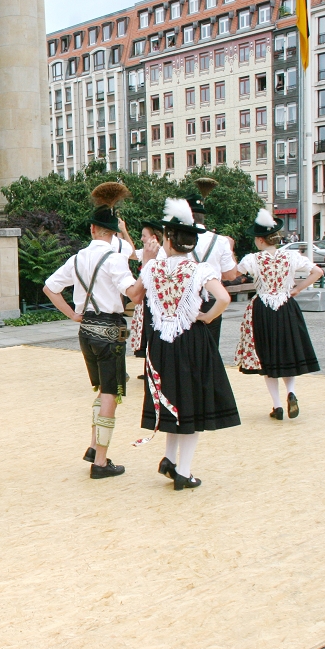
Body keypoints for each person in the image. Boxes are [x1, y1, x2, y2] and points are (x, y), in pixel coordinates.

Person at [136, 199, 240, 490]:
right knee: (192, 403)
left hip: (160, 342)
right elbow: (224, 298)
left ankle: (169, 460)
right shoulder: (199, 269)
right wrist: (207, 316)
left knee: (171, 399)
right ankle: (183, 471)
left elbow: (135, 296)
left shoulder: (152, 269)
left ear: (168, 239)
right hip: (191, 339)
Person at [42, 183, 144, 480]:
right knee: (111, 395)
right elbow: (134, 295)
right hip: (110, 330)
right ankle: (100, 462)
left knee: (102, 391)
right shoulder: (115, 258)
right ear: (113, 233)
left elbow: (50, 288)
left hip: (86, 329)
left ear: (92, 229)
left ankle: (93, 446)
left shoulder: (77, 258)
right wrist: (148, 269)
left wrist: (73, 314)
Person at [234, 209, 323, 420]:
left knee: (267, 358)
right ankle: (291, 392)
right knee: (287, 352)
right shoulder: (291, 256)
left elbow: (234, 274)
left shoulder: (252, 259)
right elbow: (318, 272)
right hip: (286, 306)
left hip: (263, 308)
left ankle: (277, 406)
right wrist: (297, 289)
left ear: (260, 239)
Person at [183, 178, 239, 345]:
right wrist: (231, 248)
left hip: (184, 301)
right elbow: (231, 275)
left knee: (184, 350)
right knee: (210, 349)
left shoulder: (175, 240)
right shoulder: (220, 241)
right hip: (212, 301)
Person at [130, 219, 166, 362]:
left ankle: (154, 366)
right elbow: (131, 254)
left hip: (157, 301)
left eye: (144, 235)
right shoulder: (146, 252)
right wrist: (123, 231)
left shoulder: (162, 254)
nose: (141, 238)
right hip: (147, 300)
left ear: (153, 238)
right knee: (148, 334)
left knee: (153, 333)